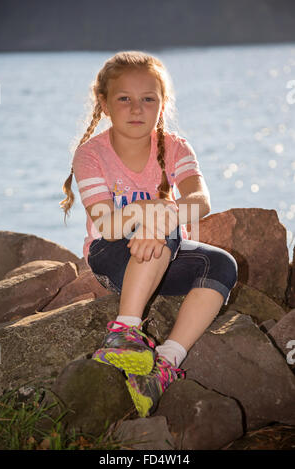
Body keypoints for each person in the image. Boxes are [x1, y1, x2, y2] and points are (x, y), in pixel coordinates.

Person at [60, 51, 238, 418]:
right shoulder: (90, 155)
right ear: (105, 104)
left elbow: (199, 202)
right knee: (162, 222)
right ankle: (124, 331)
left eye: (148, 99)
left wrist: (162, 214)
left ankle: (165, 364)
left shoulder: (174, 147)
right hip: (112, 258)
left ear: (162, 104)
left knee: (222, 264)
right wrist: (150, 211)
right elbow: (106, 224)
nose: (136, 108)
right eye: (124, 98)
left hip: (164, 256)